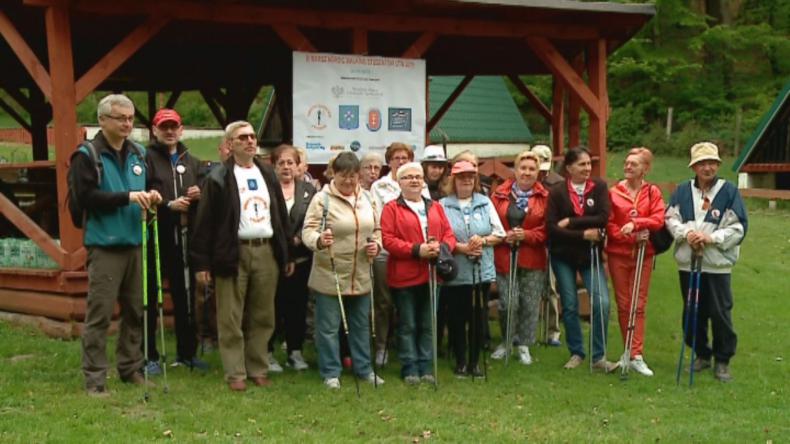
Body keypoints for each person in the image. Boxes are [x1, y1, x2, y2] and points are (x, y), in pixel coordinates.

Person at [70, 94, 162, 396]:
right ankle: (95, 377)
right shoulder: (87, 155)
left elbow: (151, 185)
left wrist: (154, 197)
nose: (127, 123)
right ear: (102, 120)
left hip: (137, 242)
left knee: (136, 310)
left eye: (130, 118)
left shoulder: (138, 153)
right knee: (100, 313)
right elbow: (85, 198)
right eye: (120, 118)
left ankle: (130, 367)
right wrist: (127, 197)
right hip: (105, 244)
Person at [191, 120, 294, 391]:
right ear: (230, 145)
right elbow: (204, 223)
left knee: (263, 315)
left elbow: (281, 216)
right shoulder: (218, 178)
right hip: (232, 253)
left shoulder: (268, 174)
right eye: (242, 137)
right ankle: (235, 373)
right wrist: (201, 262)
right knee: (231, 316)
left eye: (252, 136)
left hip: (266, 250)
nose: (250, 141)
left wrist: (287, 255)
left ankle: (257, 367)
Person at [665, 142, 747, 382]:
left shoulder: (729, 191)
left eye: (712, 163)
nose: (707, 167)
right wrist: (687, 235)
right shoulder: (682, 190)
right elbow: (670, 218)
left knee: (720, 312)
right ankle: (701, 354)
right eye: (702, 163)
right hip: (688, 263)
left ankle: (722, 360)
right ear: (694, 167)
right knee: (693, 311)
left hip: (717, 264)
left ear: (718, 165)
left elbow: (738, 227)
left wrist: (711, 238)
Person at [302, 152, 384, 389]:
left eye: (353, 176)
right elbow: (308, 230)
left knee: (361, 324)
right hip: (331, 272)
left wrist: (376, 245)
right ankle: (330, 372)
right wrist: (319, 239)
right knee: (328, 327)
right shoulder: (322, 200)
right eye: (343, 176)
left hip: (360, 272)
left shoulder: (368, 199)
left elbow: (377, 230)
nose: (348, 181)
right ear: (333, 175)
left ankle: (364, 369)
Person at [143, 108, 208, 373]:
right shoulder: (145, 158)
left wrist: (198, 193)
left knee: (186, 296)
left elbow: (204, 191)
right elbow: (144, 194)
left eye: (174, 127)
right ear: (155, 131)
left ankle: (187, 352)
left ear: (181, 130)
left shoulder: (191, 161)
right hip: (156, 236)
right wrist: (168, 205)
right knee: (152, 295)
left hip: (185, 236)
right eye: (164, 127)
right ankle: (150, 356)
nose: (169, 132)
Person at [381, 161, 456, 384]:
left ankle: (426, 366)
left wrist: (440, 248)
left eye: (417, 176)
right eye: (408, 177)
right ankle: (409, 367)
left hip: (432, 275)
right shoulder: (391, 208)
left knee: (428, 324)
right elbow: (388, 240)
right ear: (398, 182)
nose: (414, 180)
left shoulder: (436, 207)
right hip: (404, 276)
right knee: (408, 325)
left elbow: (449, 235)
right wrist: (416, 250)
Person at [546, 147, 619, 372]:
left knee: (602, 302)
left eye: (589, 164)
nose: (587, 168)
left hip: (590, 255)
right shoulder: (557, 192)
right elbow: (551, 228)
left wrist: (571, 221)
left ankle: (599, 357)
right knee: (569, 304)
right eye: (582, 164)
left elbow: (603, 217)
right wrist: (583, 233)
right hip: (563, 256)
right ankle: (576, 352)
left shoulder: (598, 187)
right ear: (569, 168)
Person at [440, 159, 504, 376]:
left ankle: (475, 361)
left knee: (478, 316)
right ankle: (460, 360)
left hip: (480, 270)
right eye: (461, 176)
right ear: (454, 179)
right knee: (457, 318)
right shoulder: (442, 205)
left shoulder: (485, 202)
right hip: (456, 271)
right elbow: (440, 237)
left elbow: (499, 233)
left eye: (470, 176)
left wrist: (482, 241)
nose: (466, 180)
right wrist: (461, 248)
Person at [606, 147, 665, 377]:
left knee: (638, 303)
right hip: (618, 253)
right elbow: (609, 223)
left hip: (644, 254)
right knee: (623, 303)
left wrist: (638, 224)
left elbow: (659, 219)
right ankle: (627, 350)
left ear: (645, 169)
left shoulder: (652, 192)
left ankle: (636, 354)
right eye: (627, 162)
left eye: (634, 164)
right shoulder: (613, 193)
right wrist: (627, 233)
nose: (628, 166)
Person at [370, 143, 429, 367]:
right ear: (389, 161)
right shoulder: (379, 186)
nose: (401, 161)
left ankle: (411, 350)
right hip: (386, 251)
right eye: (396, 157)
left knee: (412, 304)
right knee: (384, 303)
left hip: (415, 254)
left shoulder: (420, 184)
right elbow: (376, 216)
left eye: (405, 157)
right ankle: (382, 347)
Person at [490, 151, 549, 365]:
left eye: (532, 169)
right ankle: (506, 341)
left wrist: (528, 235)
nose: (526, 172)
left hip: (532, 257)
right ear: (515, 170)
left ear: (538, 172)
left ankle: (524, 344)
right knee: (509, 302)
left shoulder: (544, 197)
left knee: (530, 302)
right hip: (506, 255)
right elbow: (491, 221)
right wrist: (503, 235)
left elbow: (547, 230)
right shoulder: (499, 194)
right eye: (522, 168)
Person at [268, 144, 316, 372]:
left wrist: (298, 238)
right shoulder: (265, 189)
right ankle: (266, 353)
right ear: (273, 166)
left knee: (297, 307)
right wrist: (283, 242)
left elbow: (313, 220)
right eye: (281, 163)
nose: (286, 167)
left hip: (300, 260)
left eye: (290, 162)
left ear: (298, 166)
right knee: (271, 307)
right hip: (272, 259)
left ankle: (295, 352)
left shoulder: (309, 190)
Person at [531, 144, 563, 346]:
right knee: (531, 288)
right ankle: (529, 330)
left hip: (551, 241)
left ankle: (553, 332)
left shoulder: (558, 184)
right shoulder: (525, 181)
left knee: (551, 288)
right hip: (532, 241)